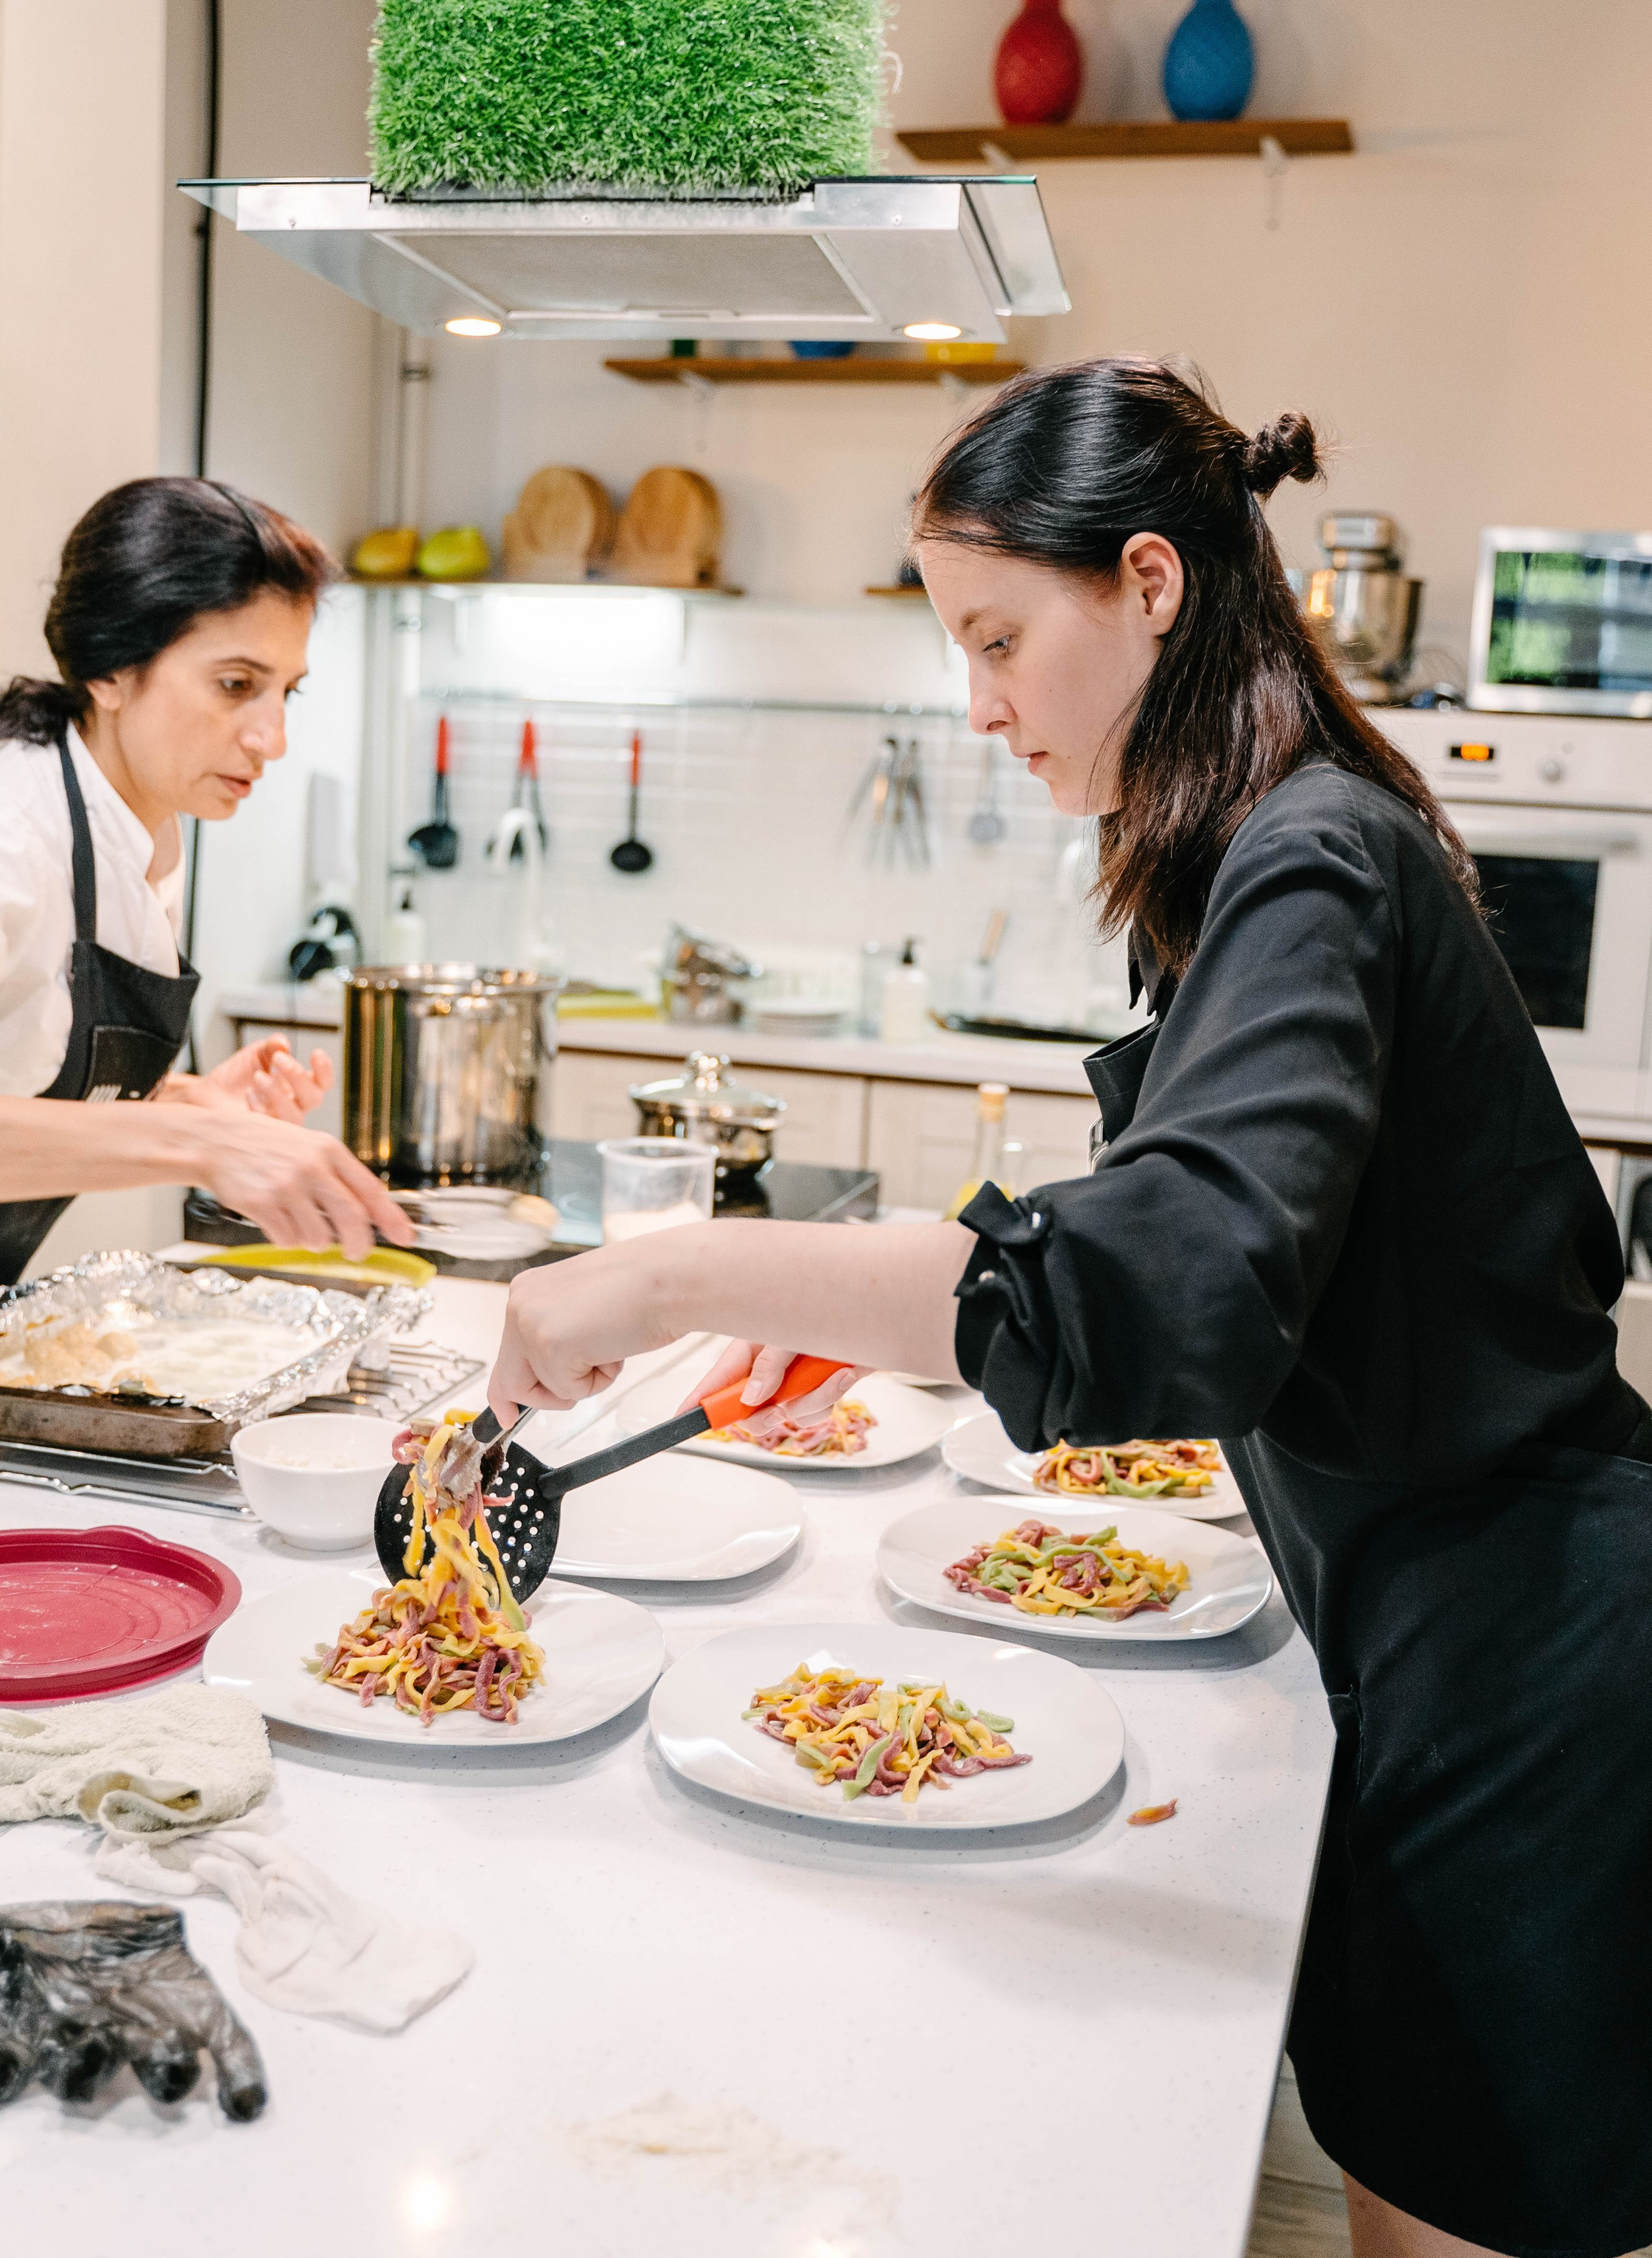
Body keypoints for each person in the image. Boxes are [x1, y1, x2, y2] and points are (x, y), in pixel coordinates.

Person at [484, 356, 1652, 2258]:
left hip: (1525, 1681)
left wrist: (668, 1268)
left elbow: (1166, 1282)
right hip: (1438, 1639)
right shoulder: (1271, 849)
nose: (982, 703)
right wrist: (852, 1310)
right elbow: (1193, 1236)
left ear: (1151, 583)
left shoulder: (1313, 859)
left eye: (1001, 635)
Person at [0, 475, 413, 1386]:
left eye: (285, 694)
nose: (271, 737)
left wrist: (187, 1106)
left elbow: (9, 1072)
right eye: (235, 685)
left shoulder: (143, 826)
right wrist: (202, 1148)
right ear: (111, 670)